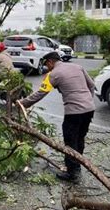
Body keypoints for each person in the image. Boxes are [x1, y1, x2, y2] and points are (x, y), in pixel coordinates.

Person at [19, 51, 95, 183]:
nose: (46, 68)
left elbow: (40, 93)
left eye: (46, 65)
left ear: (50, 62)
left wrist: (22, 103)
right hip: (89, 109)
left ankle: (73, 174)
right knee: (80, 138)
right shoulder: (77, 67)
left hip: (74, 112)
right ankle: (77, 165)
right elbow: (92, 85)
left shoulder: (53, 74)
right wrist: (87, 102)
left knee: (70, 142)